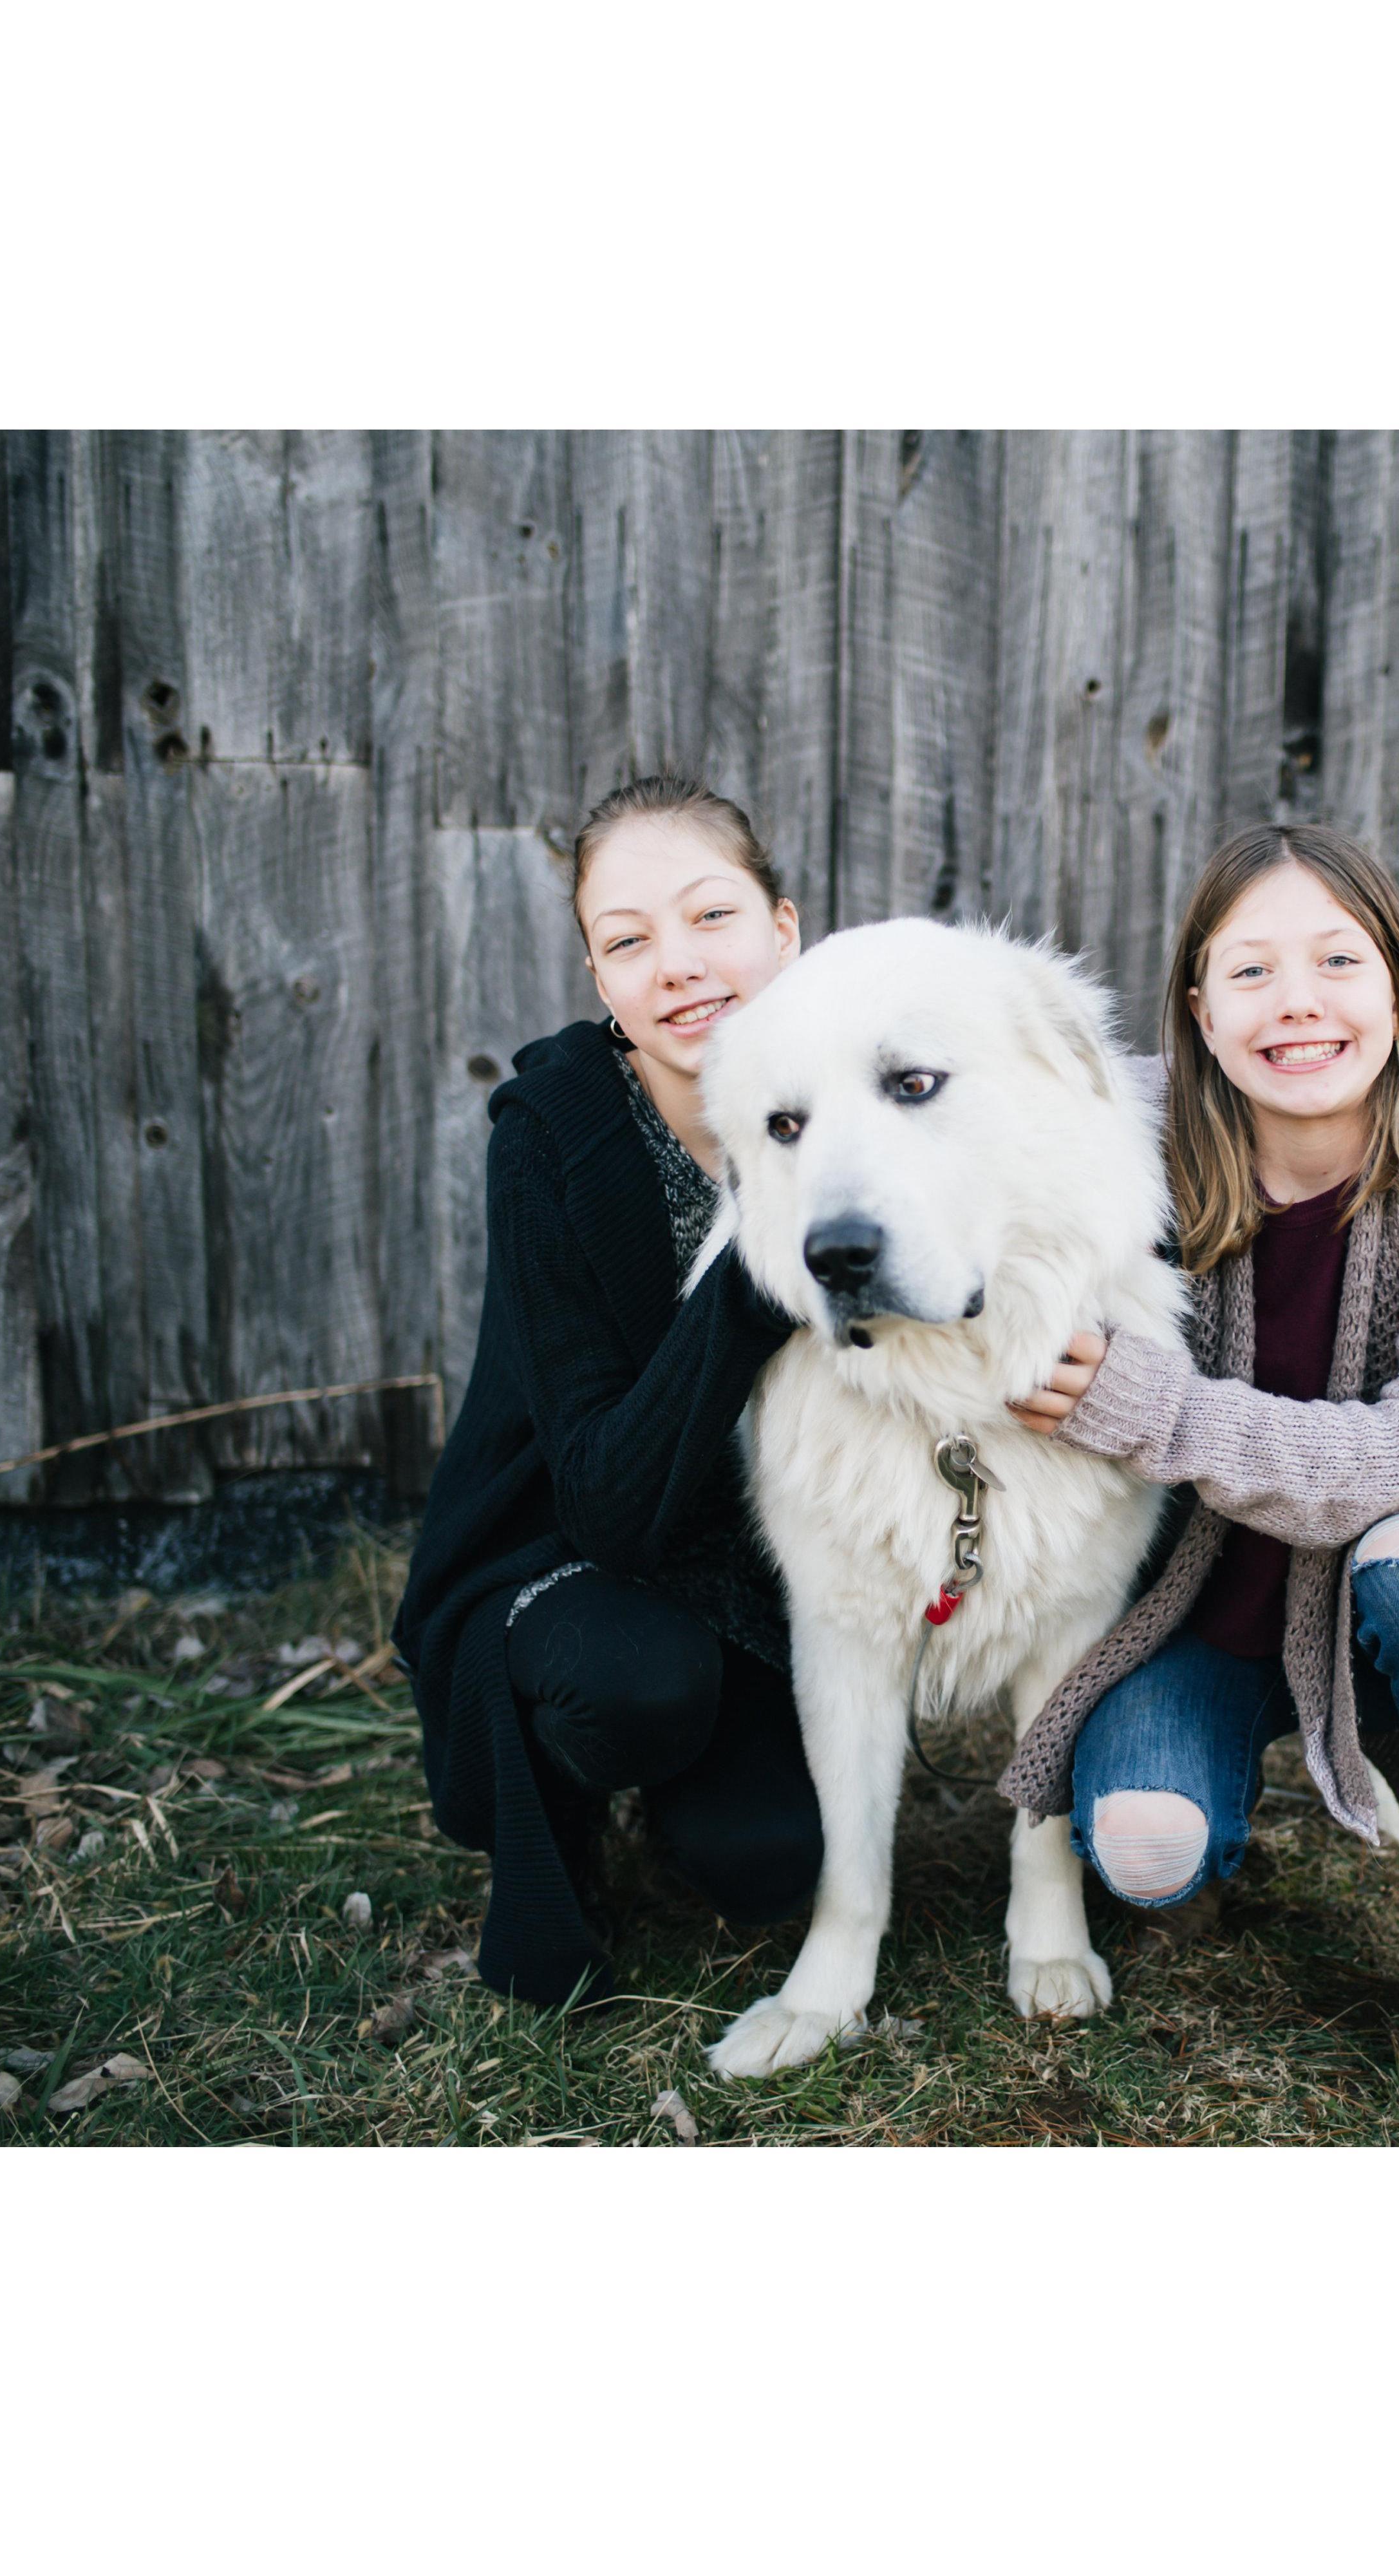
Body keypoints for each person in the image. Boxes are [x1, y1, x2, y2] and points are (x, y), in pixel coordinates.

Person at [997, 822, 1399, 2146]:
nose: (1297, 1004)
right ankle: (1207, 1833)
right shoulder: (1129, 1134)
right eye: (1250, 971)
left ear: (1395, 981)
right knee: (1147, 1847)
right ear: (1198, 1009)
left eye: (1336, 958)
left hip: (1379, 1608)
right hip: (1191, 1609)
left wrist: (1156, 1409)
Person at [393, 772, 821, 2007]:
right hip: (563, 1546)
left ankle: (701, 1780)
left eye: (712, 919)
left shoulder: (846, 1097)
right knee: (640, 1686)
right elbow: (606, 1504)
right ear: (600, 982)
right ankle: (561, 1789)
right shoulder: (554, 1134)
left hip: (748, 1570)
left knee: (768, 1865)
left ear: (784, 929)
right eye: (628, 943)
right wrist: (746, 1276)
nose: (675, 965)